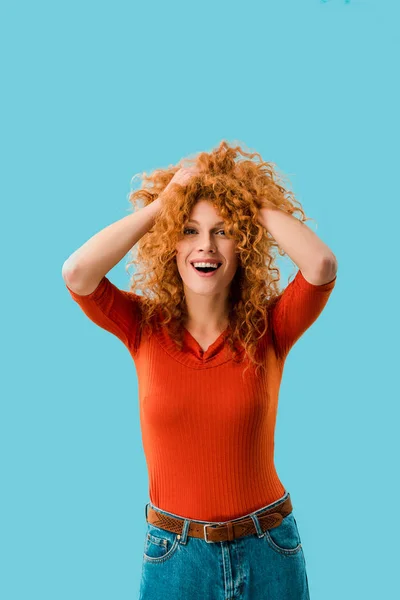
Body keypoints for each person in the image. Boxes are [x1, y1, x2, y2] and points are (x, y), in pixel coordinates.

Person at [62, 141, 337, 599]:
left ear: (243, 243)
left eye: (223, 230)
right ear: (172, 244)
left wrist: (249, 196)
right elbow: (77, 273)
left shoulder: (271, 328)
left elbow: (321, 265)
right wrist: (162, 206)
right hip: (175, 556)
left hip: (268, 547)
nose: (205, 246)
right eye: (189, 230)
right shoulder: (142, 326)